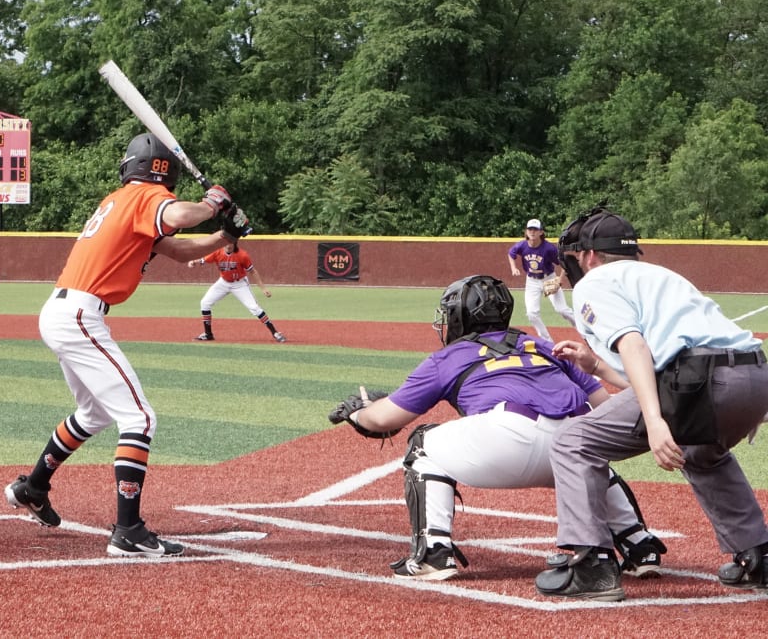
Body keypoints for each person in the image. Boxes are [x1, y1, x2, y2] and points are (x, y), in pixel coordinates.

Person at [3, 132, 250, 558]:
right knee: (139, 419)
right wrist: (213, 203)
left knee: (93, 413)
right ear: (163, 171)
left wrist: (227, 233)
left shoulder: (120, 200)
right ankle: (128, 531)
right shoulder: (144, 197)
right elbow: (183, 215)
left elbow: (176, 249)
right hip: (80, 314)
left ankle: (33, 487)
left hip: (66, 312)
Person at [328, 274, 665, 582]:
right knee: (586, 450)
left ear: (460, 317)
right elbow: (606, 406)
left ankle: (433, 553)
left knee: (422, 443)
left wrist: (356, 414)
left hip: (508, 439)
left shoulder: (449, 357)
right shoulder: (543, 345)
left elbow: (384, 420)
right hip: (572, 442)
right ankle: (639, 545)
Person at [532, 208, 768, 601]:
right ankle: (759, 555)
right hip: (755, 378)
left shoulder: (597, 279)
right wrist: (598, 368)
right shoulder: (663, 275)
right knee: (701, 452)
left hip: (703, 383)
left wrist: (656, 423)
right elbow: (662, 377)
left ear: (589, 256)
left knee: (573, 441)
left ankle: (591, 566)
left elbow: (636, 346)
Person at [187, 242, 285, 343]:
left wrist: (263, 288)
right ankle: (208, 334)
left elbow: (253, 271)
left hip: (240, 284)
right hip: (223, 282)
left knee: (254, 308)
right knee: (205, 303)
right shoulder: (217, 252)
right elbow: (204, 260)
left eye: (230, 243)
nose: (228, 245)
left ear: (234, 243)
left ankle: (275, 333)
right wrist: (194, 262)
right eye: (226, 243)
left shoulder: (242, 255)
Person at [508, 219, 573, 341]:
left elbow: (564, 263)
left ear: (541, 232)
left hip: (549, 279)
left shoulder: (548, 248)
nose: (532, 232)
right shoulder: (522, 245)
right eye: (530, 229)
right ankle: (547, 341)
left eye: (535, 229)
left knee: (562, 310)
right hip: (532, 281)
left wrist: (560, 279)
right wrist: (513, 267)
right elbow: (511, 253)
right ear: (526, 232)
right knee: (532, 314)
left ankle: (584, 332)